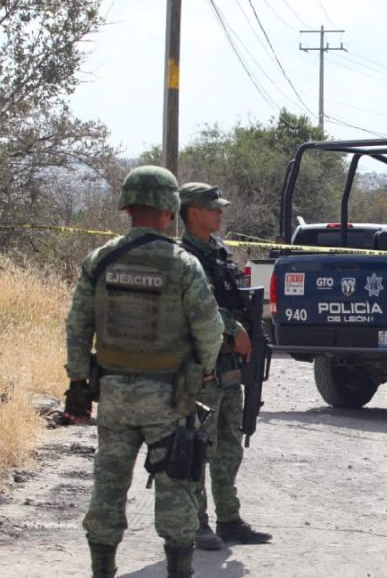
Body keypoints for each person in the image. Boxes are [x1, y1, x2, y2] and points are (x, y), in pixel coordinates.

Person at [64, 166, 224, 578]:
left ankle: (102, 569)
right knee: (177, 487)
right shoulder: (182, 264)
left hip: (114, 395)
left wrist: (78, 382)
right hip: (170, 398)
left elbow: (78, 325)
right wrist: (204, 371)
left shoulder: (100, 259)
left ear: (127, 205)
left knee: (108, 485)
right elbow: (210, 329)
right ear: (170, 208)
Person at [178, 182, 272, 549]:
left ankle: (229, 519)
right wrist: (234, 330)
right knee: (199, 444)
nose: (220, 212)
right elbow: (195, 305)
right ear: (192, 212)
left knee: (230, 443)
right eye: (212, 207)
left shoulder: (219, 252)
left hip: (230, 363)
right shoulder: (183, 256)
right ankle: (196, 522)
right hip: (203, 365)